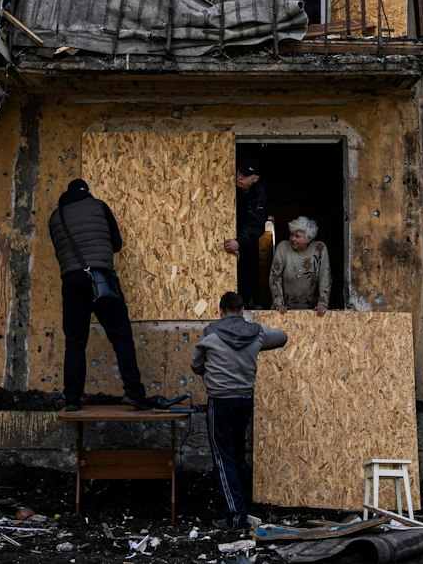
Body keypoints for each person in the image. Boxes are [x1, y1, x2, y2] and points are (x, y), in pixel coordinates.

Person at [49, 177, 172, 412]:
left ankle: (72, 399)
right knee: (121, 336)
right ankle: (134, 393)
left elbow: (60, 252)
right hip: (101, 278)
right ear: (88, 192)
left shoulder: (56, 217)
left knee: (75, 341)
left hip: (72, 281)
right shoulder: (99, 206)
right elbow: (117, 244)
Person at [191, 291, 288, 530]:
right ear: (242, 310)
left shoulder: (210, 334)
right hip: (244, 400)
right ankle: (244, 505)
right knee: (237, 455)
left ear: (221, 310)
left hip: (220, 401)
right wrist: (256, 341)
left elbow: (196, 365)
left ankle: (236, 516)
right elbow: (283, 337)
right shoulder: (256, 333)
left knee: (224, 459)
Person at [222, 161, 268, 307]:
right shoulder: (227, 185)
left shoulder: (259, 194)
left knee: (247, 275)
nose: (239, 177)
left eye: (245, 175)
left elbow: (257, 224)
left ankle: (246, 304)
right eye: (239, 172)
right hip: (227, 239)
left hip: (246, 242)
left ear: (255, 178)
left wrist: (239, 242)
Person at [268, 216, 330, 315]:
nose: (292, 239)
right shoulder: (283, 248)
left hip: (311, 310)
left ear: (308, 238)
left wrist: (322, 303)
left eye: (297, 236)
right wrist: (279, 303)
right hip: (284, 310)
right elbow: (275, 276)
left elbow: (325, 276)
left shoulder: (320, 249)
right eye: (291, 235)